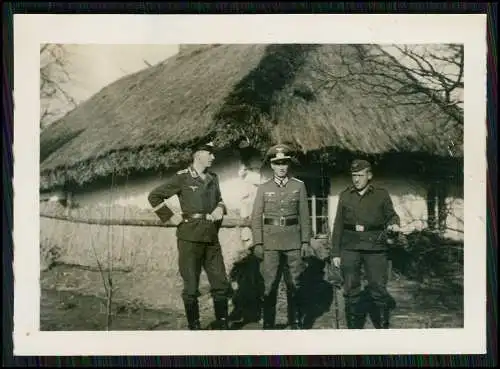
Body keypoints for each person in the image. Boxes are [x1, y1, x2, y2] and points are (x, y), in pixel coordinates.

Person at [147, 140, 231, 330]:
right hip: (189, 238)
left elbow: (220, 200)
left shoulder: (213, 178)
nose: (213, 157)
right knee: (191, 286)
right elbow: (154, 196)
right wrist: (170, 216)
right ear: (198, 154)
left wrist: (220, 208)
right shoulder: (183, 177)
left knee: (220, 283)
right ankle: (194, 327)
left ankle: (223, 326)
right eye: (210, 153)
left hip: (211, 237)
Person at [330, 159, 400, 329]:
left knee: (378, 287)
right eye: (354, 175)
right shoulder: (345, 195)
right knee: (351, 289)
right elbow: (338, 224)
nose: (356, 179)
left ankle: (382, 329)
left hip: (375, 247)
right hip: (350, 247)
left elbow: (392, 216)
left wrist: (394, 224)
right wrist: (335, 253)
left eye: (360, 175)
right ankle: (354, 330)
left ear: (369, 175)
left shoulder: (381, 194)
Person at [250, 143, 311, 330]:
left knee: (295, 282)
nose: (282, 167)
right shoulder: (263, 188)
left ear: (289, 164)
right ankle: (269, 324)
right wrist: (258, 242)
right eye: (278, 163)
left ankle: (296, 323)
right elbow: (255, 217)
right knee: (269, 284)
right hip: (271, 242)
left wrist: (305, 241)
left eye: (285, 163)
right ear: (272, 166)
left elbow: (304, 215)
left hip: (293, 241)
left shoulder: (299, 186)